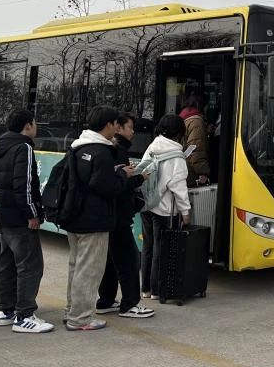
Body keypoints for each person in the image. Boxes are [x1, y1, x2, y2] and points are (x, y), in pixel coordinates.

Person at [0, 108, 53, 334]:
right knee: (30, 266)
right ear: (27, 125)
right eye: (35, 124)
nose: (36, 128)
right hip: (20, 219)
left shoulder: (1, 148)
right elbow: (24, 185)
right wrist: (32, 214)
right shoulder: (24, 148)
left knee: (7, 264)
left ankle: (6, 311)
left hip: (5, 217)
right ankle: (25, 316)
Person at [62, 106, 133, 331]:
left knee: (76, 266)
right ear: (109, 125)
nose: (117, 129)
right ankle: (80, 318)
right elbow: (105, 186)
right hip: (94, 219)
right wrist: (122, 175)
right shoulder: (102, 151)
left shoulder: (78, 146)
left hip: (74, 215)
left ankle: (72, 310)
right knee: (89, 270)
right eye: (116, 124)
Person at [95, 113, 154, 319]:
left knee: (111, 260)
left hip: (110, 215)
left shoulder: (110, 149)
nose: (133, 131)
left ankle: (106, 300)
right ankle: (130, 304)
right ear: (117, 127)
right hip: (118, 215)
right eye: (130, 127)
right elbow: (118, 184)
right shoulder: (118, 150)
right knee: (129, 260)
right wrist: (138, 178)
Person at [140, 114, 193, 297]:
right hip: (163, 210)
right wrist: (186, 211)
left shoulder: (153, 146)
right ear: (179, 133)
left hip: (146, 205)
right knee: (160, 249)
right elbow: (179, 187)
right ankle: (157, 290)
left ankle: (146, 289)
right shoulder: (177, 157)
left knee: (147, 247)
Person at [180, 96, 210, 186]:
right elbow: (195, 149)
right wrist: (202, 172)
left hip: (182, 168)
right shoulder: (196, 122)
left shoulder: (184, 118)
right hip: (190, 171)